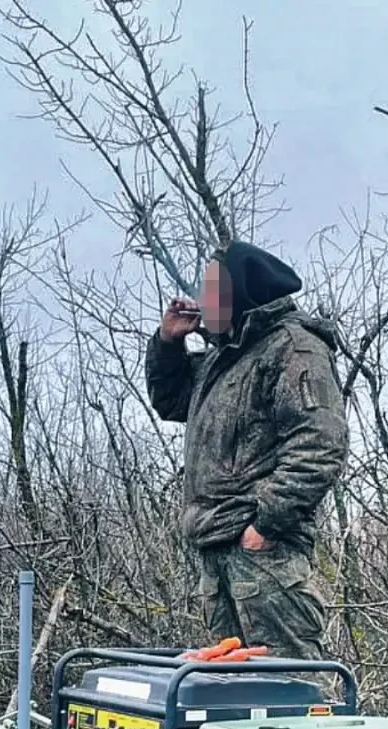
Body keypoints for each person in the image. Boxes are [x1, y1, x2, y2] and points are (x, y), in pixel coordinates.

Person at [144, 240, 348, 661]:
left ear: (240, 293)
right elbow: (171, 401)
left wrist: (265, 526)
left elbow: (320, 444)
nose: (203, 300)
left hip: (264, 555)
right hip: (218, 552)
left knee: (289, 682)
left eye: (213, 290)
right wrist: (168, 342)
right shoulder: (224, 358)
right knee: (232, 688)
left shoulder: (293, 348)